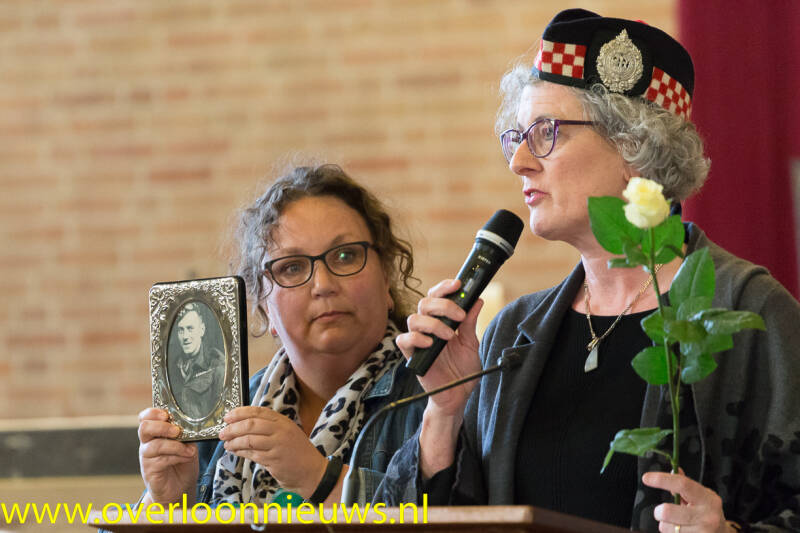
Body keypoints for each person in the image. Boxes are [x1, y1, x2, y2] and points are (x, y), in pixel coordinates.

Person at [376, 9, 800, 533]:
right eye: (517, 136)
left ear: (635, 148)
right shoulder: (515, 333)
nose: (520, 162)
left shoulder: (747, 313)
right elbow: (440, 519)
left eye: (547, 132)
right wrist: (445, 411)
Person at [138, 163, 424, 508]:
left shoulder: (436, 393)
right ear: (264, 306)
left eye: (346, 256)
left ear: (387, 278)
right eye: (292, 267)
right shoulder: (220, 412)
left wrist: (318, 476)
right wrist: (165, 505)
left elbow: (455, 517)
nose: (323, 285)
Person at [168, 303, 225, 419]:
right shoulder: (171, 367)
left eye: (190, 328)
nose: (185, 336)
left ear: (202, 330)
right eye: (181, 330)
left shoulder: (217, 366)